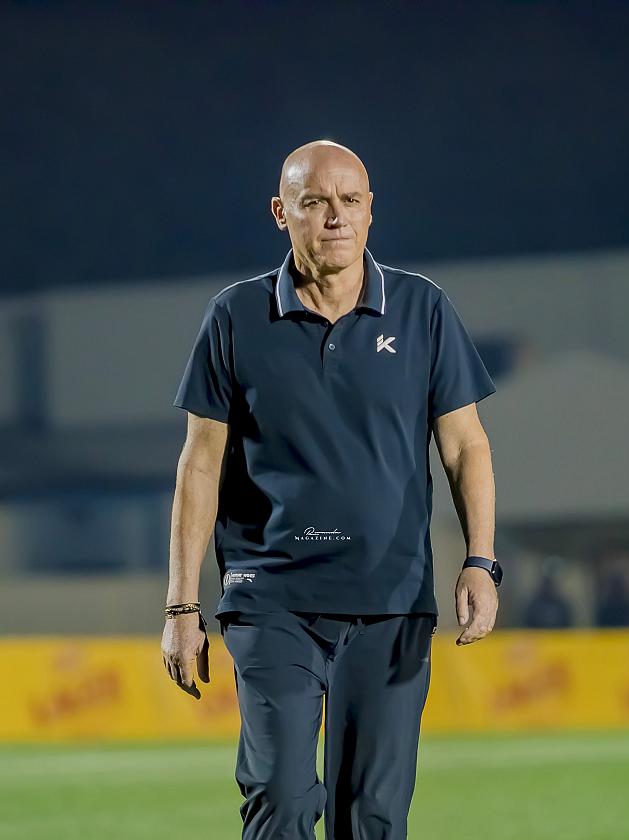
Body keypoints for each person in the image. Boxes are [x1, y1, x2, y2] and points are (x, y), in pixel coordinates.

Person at [162, 139, 501, 839]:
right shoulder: (234, 316)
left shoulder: (423, 309)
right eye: (314, 202)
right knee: (281, 798)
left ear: (371, 210)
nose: (336, 217)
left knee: (371, 816)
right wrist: (181, 604)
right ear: (280, 212)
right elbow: (199, 465)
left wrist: (480, 560)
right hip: (270, 597)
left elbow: (465, 444)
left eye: (350, 201)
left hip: (392, 599)